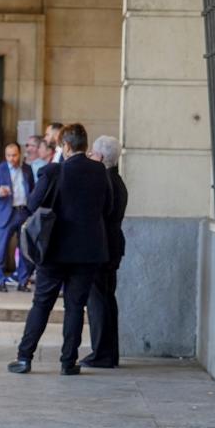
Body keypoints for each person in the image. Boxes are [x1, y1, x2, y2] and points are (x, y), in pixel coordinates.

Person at [7, 123, 112, 375]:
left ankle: (24, 357)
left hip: (53, 251)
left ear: (65, 146)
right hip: (88, 252)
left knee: (42, 304)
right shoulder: (100, 171)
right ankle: (68, 362)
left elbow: (32, 205)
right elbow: (107, 209)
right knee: (75, 307)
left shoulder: (53, 171)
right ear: (85, 145)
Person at [82, 135, 128, 368]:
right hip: (112, 247)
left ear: (100, 156)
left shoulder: (105, 181)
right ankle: (108, 353)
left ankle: (102, 353)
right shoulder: (116, 179)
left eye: (92, 153)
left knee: (98, 300)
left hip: (102, 248)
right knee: (106, 299)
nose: (90, 156)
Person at [0, 143, 35, 292]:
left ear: (19, 154)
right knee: (1, 249)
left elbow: (32, 190)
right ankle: (0, 281)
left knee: (24, 250)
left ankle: (22, 281)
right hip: (6, 213)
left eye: (14, 155)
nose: (11, 158)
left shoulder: (27, 169)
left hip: (24, 212)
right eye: (8, 155)